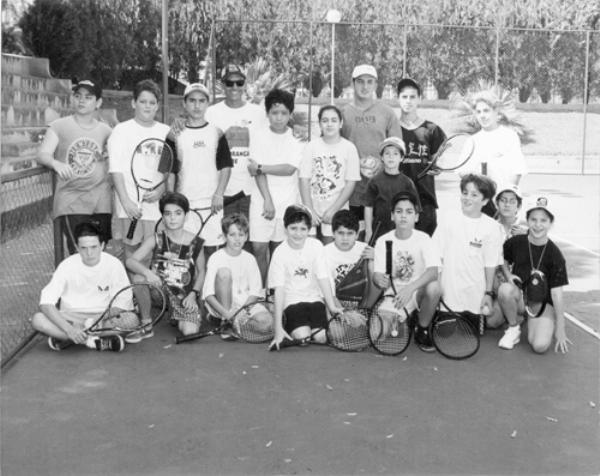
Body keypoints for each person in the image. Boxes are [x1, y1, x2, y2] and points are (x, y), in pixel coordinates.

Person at [37, 80, 113, 254]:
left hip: (101, 200)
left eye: (88, 97)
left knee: (100, 253)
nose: (82, 100)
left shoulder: (106, 130)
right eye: (78, 96)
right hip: (73, 200)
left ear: (98, 102)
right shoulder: (59, 126)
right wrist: (55, 163)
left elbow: (116, 154)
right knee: (81, 253)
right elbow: (42, 154)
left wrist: (108, 155)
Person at [31, 222, 131, 352]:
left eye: (94, 247)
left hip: (102, 318)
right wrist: (69, 329)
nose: (89, 253)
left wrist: (99, 318)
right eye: (84, 248)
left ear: (102, 246)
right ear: (77, 247)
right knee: (38, 320)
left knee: (131, 321)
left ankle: (68, 338)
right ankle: (93, 342)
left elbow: (123, 301)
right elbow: (46, 303)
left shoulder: (114, 264)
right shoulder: (66, 265)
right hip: (71, 318)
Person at [492, 198, 571, 353]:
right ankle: (514, 327)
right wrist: (508, 275)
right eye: (533, 219)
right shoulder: (516, 242)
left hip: (540, 303)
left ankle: (538, 320)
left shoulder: (555, 255)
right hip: (520, 296)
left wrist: (561, 328)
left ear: (550, 224)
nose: (538, 224)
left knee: (540, 346)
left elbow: (557, 294)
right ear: (527, 221)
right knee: (503, 294)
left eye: (543, 220)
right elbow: (503, 258)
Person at [126, 192, 205, 339]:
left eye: (178, 213)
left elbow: (202, 271)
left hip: (183, 296)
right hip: (159, 291)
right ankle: (146, 322)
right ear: (163, 217)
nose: (173, 218)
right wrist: (148, 273)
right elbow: (130, 261)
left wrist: (194, 294)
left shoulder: (196, 241)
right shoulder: (156, 239)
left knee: (189, 331)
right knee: (138, 278)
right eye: (168, 214)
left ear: (186, 216)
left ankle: (175, 315)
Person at [167, 82, 232, 258]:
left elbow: (225, 166)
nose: (197, 105)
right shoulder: (174, 134)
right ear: (184, 103)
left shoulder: (216, 132)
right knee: (185, 255)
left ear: (207, 104)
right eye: (192, 101)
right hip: (184, 204)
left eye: (202, 101)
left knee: (211, 253)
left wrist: (219, 194)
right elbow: (169, 170)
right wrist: (171, 200)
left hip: (211, 205)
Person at [108, 79, 170, 260]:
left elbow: (168, 169)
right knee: (132, 257)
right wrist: (126, 202)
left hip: (156, 208)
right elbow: (116, 170)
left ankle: (153, 288)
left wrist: (161, 189)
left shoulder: (166, 132)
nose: (147, 107)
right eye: (143, 102)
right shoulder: (121, 131)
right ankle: (135, 289)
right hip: (129, 208)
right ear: (134, 103)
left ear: (157, 106)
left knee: (156, 256)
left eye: (152, 103)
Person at [246, 89, 303, 285]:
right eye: (274, 112)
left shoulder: (297, 138)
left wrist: (261, 167)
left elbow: (289, 169)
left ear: (290, 114)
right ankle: (261, 291)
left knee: (279, 251)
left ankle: (276, 292)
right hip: (262, 201)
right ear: (267, 113)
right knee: (259, 247)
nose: (279, 118)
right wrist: (267, 201)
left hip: (287, 201)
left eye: (284, 113)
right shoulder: (258, 135)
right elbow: (255, 172)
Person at [372, 192, 441, 351]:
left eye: (409, 212)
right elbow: (377, 274)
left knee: (434, 287)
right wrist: (379, 279)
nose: (403, 216)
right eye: (399, 211)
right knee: (378, 335)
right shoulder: (383, 241)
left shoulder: (424, 239)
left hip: (417, 292)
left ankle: (422, 328)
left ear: (416, 217)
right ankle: (408, 318)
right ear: (392, 216)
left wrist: (410, 289)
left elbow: (433, 272)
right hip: (394, 296)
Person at [268, 205, 344, 350]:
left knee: (321, 338)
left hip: (314, 299)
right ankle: (285, 324)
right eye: (293, 228)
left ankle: (317, 323)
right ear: (286, 228)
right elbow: (279, 291)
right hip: (292, 301)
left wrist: (332, 306)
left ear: (309, 230)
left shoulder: (316, 246)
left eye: (303, 229)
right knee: (303, 337)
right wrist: (278, 330)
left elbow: (323, 278)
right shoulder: (279, 252)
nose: (298, 234)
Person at [433, 174, 503, 325]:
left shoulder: (492, 227)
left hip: (475, 295)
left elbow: (490, 264)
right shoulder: (448, 218)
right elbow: (436, 255)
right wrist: (438, 286)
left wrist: (488, 293)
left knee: (481, 327)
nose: (467, 198)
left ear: (484, 201)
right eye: (465, 193)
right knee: (446, 334)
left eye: (474, 195)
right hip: (448, 294)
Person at [340, 64, 403, 233]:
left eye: (370, 82)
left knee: (382, 237)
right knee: (356, 237)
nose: (365, 86)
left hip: (382, 187)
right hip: (352, 190)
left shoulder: (387, 112)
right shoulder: (343, 113)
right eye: (360, 81)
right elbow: (335, 149)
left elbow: (398, 148)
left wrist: (381, 164)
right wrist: (355, 163)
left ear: (376, 85)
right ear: (353, 84)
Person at [206, 64, 267, 220]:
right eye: (229, 83)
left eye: (239, 83)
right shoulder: (211, 113)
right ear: (223, 85)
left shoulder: (258, 113)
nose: (234, 87)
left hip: (251, 189)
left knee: (249, 240)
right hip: (221, 190)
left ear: (245, 85)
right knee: (226, 238)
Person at [459, 90, 528, 217]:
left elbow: (517, 173)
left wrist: (504, 201)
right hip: (479, 207)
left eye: (486, 111)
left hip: (501, 206)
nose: (482, 116)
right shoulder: (471, 141)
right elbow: (463, 174)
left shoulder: (510, 137)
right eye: (478, 112)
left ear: (496, 111)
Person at [202, 213, 270, 340]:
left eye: (241, 235)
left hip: (244, 306)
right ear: (224, 236)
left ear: (246, 237)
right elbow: (208, 295)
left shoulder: (250, 259)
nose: (237, 239)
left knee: (267, 324)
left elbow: (255, 293)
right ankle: (224, 321)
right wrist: (227, 314)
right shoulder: (216, 257)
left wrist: (241, 313)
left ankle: (235, 323)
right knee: (224, 273)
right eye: (232, 235)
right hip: (221, 307)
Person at [299, 105, 361, 244]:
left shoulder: (349, 148)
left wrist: (334, 210)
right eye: (325, 120)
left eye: (333, 120)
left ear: (341, 123)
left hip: (336, 209)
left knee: (331, 251)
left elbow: (351, 183)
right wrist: (310, 210)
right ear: (320, 124)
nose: (329, 124)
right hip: (312, 207)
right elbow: (304, 179)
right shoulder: (311, 146)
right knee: (310, 249)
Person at [396, 78, 447, 236]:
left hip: (425, 200)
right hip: (398, 197)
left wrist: (438, 167)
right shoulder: (392, 128)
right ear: (398, 98)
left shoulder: (431, 129)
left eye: (412, 97)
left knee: (424, 251)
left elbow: (439, 162)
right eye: (404, 97)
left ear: (419, 99)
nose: (408, 101)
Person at [364, 137, 420, 243]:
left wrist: (411, 231)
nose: (391, 157)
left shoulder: (407, 182)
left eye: (395, 154)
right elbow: (368, 207)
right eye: (387, 153)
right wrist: (368, 231)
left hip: (401, 232)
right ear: (381, 157)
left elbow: (415, 209)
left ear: (402, 158)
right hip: (379, 232)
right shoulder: (374, 181)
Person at [323, 210, 374, 314]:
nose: (345, 238)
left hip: (363, 304)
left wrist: (377, 257)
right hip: (335, 303)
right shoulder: (324, 253)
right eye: (341, 233)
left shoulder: (365, 249)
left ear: (357, 234)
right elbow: (328, 292)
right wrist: (346, 315)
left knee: (373, 264)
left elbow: (380, 280)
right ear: (333, 233)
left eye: (350, 233)